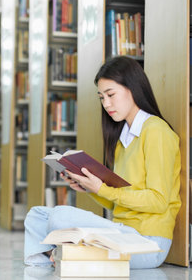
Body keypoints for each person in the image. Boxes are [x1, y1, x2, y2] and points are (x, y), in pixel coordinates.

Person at [24, 56, 181, 269]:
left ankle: (62, 254)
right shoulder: (123, 138)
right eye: (101, 97)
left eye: (111, 95)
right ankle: (56, 257)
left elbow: (158, 200)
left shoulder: (156, 131)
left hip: (148, 243)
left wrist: (102, 189)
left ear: (133, 88)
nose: (106, 104)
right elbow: (117, 201)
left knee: (61, 216)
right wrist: (90, 188)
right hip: (122, 233)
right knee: (36, 215)